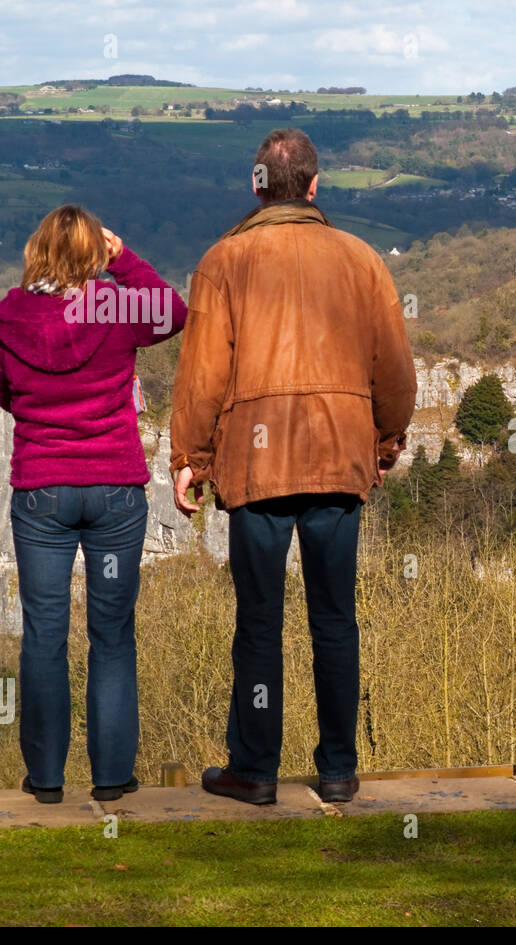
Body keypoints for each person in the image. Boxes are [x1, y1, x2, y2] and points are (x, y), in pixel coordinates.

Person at [170, 128, 416, 805]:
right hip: (339, 454)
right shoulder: (362, 260)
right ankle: (337, 767)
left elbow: (203, 375)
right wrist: (385, 443)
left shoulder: (224, 262)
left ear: (258, 186)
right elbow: (394, 369)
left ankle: (255, 768)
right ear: (314, 186)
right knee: (336, 619)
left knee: (258, 621)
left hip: (256, 462)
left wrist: (190, 457)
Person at [0, 204, 186, 804]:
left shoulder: (5, 317)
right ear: (93, 254)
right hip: (115, 490)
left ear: (37, 251)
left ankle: (46, 778)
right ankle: (112, 777)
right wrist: (124, 259)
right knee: (112, 635)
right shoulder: (116, 308)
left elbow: (4, 392)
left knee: (44, 635)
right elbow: (174, 312)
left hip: (41, 490)